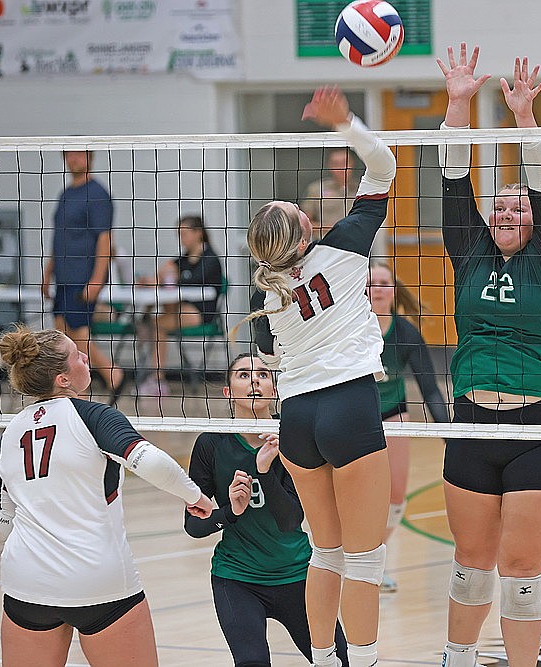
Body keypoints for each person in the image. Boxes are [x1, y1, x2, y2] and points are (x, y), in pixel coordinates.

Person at [240, 86, 395, 667]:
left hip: (298, 418)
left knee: (324, 552)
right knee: (364, 559)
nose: (306, 210)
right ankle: (369, 660)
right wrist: (346, 125)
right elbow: (385, 165)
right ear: (302, 234)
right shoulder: (346, 249)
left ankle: (325, 659)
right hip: (349, 407)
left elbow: (268, 353)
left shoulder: (267, 296)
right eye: (299, 213)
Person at [436, 45, 541, 667]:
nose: (507, 207)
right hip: (471, 421)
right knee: (471, 565)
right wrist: (458, 104)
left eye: (519, 204)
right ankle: (456, 658)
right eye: (500, 203)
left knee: (522, 568)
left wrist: (524, 119)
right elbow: (451, 180)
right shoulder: (469, 252)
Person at [0, 324, 214, 667]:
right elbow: (149, 461)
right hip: (96, 579)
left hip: (26, 583)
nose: (85, 356)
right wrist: (194, 496)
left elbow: (6, 520)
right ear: (62, 379)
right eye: (76, 355)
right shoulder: (94, 416)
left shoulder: (10, 433)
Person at [184, 353, 350, 666]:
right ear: (228, 392)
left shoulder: (294, 442)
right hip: (237, 579)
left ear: (274, 390)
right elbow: (194, 527)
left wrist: (265, 471)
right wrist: (231, 511)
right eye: (244, 375)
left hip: (298, 576)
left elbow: (291, 520)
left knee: (340, 661)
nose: (255, 380)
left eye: (262, 374)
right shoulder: (211, 444)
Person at [366, 262, 450, 593]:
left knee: (396, 496)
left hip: (393, 413)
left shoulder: (406, 334)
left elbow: (430, 388)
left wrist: (449, 435)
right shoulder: (351, 328)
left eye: (385, 283)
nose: (379, 289)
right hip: (356, 416)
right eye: (372, 283)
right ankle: (349, 558)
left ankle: (375, 558)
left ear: (394, 290)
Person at [41, 150, 125, 405]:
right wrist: (48, 271)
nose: (73, 160)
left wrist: (97, 280)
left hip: (83, 275)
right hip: (63, 276)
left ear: (90, 157)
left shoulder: (97, 194)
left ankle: (111, 375)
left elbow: (104, 239)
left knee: (78, 335)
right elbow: (59, 237)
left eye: (79, 155)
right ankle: (79, 387)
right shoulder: (66, 195)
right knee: (60, 333)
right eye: (69, 155)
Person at [137, 215, 224, 397]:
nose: (181, 238)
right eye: (179, 234)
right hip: (182, 308)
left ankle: (158, 379)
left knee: (158, 324)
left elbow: (188, 283)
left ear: (198, 233)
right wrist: (151, 280)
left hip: (202, 314)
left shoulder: (210, 259)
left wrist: (170, 276)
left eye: (184, 233)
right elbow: (166, 276)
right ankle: (145, 326)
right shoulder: (183, 259)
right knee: (160, 313)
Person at [300, 147, 360, 240]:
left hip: (355, 245)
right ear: (330, 166)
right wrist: (332, 228)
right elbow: (303, 223)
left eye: (345, 162)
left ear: (352, 164)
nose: (341, 168)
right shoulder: (317, 189)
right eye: (336, 164)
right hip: (325, 245)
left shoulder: (362, 190)